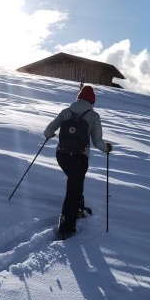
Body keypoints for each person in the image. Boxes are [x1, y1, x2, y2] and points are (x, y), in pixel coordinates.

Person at [44, 85, 111, 239]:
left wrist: (53, 134)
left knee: (75, 183)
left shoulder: (66, 112)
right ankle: (67, 226)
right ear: (92, 101)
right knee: (73, 189)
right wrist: (106, 149)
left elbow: (47, 132)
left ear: (78, 97)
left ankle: (78, 210)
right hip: (79, 158)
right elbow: (97, 141)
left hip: (62, 155)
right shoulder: (93, 116)